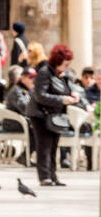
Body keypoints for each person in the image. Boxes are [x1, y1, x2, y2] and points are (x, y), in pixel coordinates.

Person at [26, 43, 79, 187]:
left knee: (53, 146)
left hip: (54, 115)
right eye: (66, 63)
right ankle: (45, 177)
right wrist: (62, 99)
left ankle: (53, 176)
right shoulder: (44, 72)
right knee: (44, 146)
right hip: (40, 114)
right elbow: (40, 95)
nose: (67, 66)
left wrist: (72, 94)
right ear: (58, 61)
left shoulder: (61, 74)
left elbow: (65, 89)